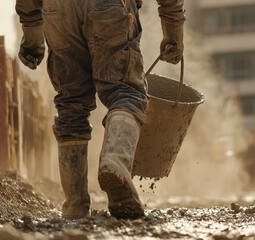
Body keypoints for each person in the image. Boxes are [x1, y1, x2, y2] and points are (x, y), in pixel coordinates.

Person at [15, 0, 185, 220]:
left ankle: (75, 205)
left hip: (58, 13)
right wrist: (173, 31)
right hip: (108, 8)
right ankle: (115, 162)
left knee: (71, 103)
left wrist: (32, 34)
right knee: (126, 92)